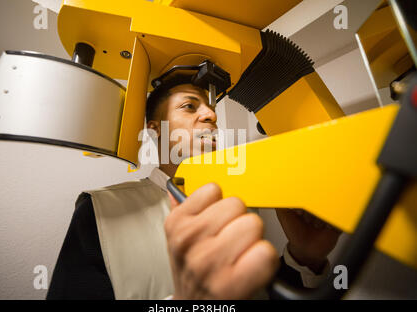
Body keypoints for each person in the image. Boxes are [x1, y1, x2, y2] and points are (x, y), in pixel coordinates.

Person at [46, 74, 341, 300]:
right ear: (155, 131)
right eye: (190, 106)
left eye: (212, 110)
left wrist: (303, 260)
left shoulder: (242, 204)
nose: (211, 116)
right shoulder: (98, 212)